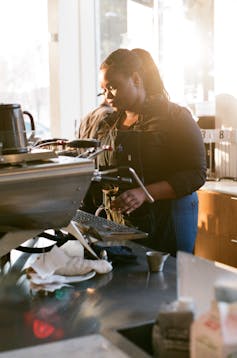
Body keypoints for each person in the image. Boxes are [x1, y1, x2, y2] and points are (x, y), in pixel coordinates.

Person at [79, 48, 206, 256]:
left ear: (136, 79)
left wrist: (144, 193)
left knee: (166, 284)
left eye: (113, 87)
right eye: (103, 90)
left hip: (168, 225)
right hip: (121, 226)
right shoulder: (109, 124)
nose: (107, 96)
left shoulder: (175, 118)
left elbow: (195, 174)